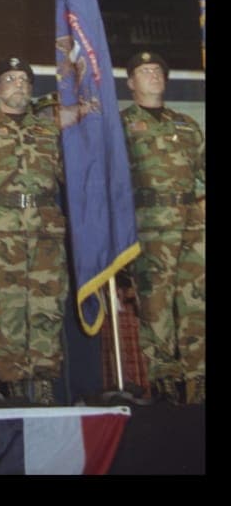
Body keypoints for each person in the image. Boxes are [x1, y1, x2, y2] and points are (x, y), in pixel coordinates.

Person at [0, 56, 68, 406]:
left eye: (23, 79)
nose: (18, 84)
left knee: (47, 308)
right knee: (9, 312)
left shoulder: (50, 132)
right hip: (1, 233)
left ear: (31, 88)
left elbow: (70, 177)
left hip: (45, 232)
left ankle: (45, 383)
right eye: (10, 79)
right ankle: (17, 387)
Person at [121, 51, 205, 405]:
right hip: (150, 225)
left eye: (157, 70)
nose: (153, 75)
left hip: (193, 225)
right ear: (131, 82)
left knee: (196, 303)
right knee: (155, 304)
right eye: (145, 71)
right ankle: (165, 380)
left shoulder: (186, 124)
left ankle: (198, 378)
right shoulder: (121, 125)